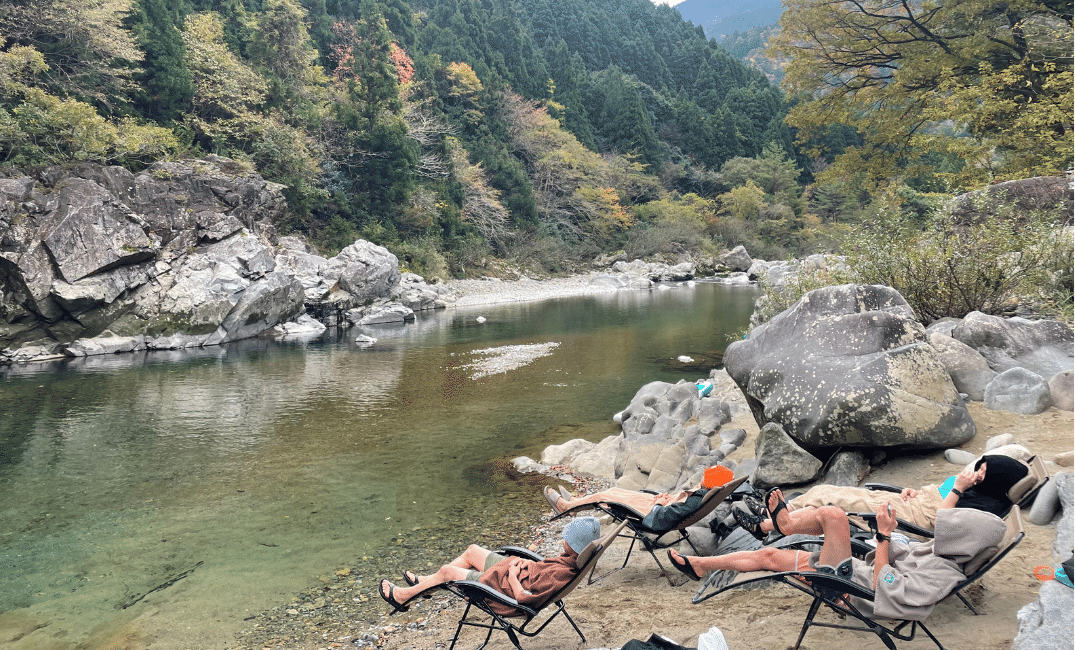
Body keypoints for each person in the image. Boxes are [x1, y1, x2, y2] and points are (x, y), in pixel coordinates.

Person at [668, 465, 1007, 621]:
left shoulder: (942, 572)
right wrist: (889, 540)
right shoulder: (941, 553)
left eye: (953, 529)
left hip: (853, 592)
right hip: (854, 574)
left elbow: (885, 586)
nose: (946, 529)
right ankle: (701, 566)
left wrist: (884, 536)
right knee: (770, 556)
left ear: (965, 542)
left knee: (834, 515)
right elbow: (899, 560)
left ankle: (784, 524)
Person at [732, 454, 1026, 539]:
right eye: (979, 467)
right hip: (912, 503)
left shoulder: (987, 506)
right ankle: (767, 520)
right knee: (823, 491)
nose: (977, 474)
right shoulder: (979, 489)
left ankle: (768, 525)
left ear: (997, 480)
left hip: (912, 519)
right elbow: (939, 495)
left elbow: (942, 523)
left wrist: (958, 488)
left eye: (984, 472)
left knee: (829, 501)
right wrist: (914, 491)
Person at [378, 516, 602, 615]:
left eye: (567, 537)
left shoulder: (560, 575)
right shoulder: (569, 559)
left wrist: (513, 574)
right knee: (472, 551)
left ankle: (404, 597)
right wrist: (527, 564)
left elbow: (524, 598)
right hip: (516, 571)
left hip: (502, 588)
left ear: (574, 545)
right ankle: (427, 585)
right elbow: (541, 573)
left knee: (447, 572)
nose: (563, 538)